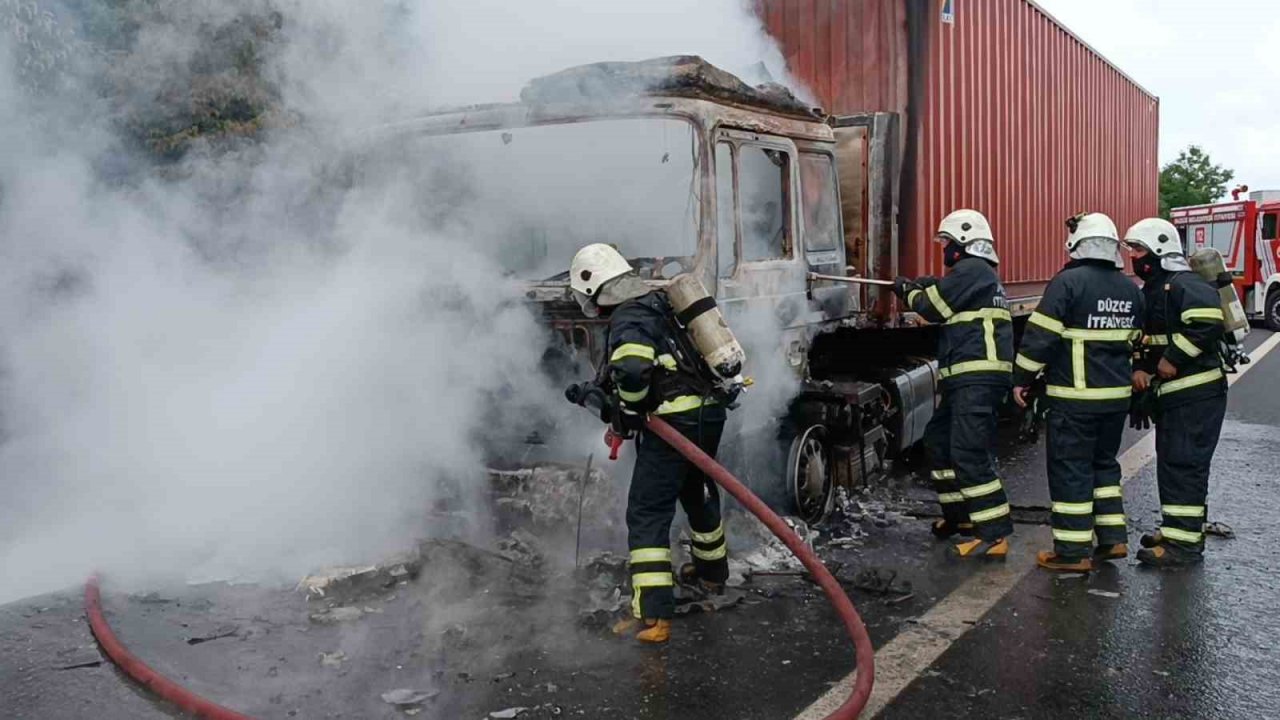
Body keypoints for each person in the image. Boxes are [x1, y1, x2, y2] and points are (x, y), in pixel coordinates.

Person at [565, 243, 732, 643]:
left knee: (646, 512)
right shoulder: (657, 303)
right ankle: (712, 575)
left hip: (675, 423)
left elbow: (633, 370)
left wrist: (628, 411)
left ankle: (654, 615)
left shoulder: (629, 317)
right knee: (696, 491)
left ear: (595, 288)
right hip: (707, 413)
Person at [1012, 213, 1143, 572]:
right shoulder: (1130, 289)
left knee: (1071, 470)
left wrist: (1021, 378)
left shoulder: (1067, 283)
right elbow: (1135, 340)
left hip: (1075, 399)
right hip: (1115, 399)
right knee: (1104, 465)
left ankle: (1072, 553)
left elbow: (1040, 337)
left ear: (1077, 244)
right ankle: (1113, 539)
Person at [894, 209, 1015, 559]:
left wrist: (908, 290)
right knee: (939, 441)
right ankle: (960, 517)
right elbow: (947, 297)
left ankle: (994, 534)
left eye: (947, 242)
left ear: (963, 243)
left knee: (968, 451)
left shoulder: (973, 269)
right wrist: (929, 284)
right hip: (966, 378)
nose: (944, 249)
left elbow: (932, 308)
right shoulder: (976, 274)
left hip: (976, 379)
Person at [1124, 218, 1228, 568]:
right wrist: (1140, 368)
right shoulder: (1153, 290)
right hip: (1175, 396)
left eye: (1138, 249)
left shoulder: (1185, 284)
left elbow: (1207, 323)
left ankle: (1183, 546)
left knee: (1184, 465)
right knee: (1172, 464)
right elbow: (1146, 337)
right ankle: (1176, 530)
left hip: (1196, 395)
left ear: (1159, 250)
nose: (1133, 256)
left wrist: (1173, 358)